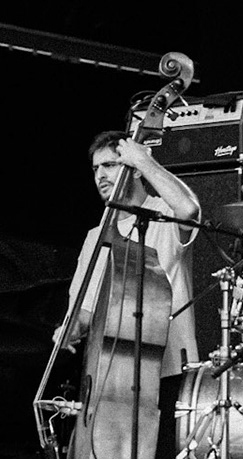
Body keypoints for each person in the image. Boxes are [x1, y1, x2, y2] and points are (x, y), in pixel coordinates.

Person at [56, 131, 204, 374]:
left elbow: (188, 209)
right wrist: (70, 329)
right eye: (95, 169)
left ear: (134, 170)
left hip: (171, 372)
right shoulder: (95, 236)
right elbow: (85, 311)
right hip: (113, 375)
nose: (100, 176)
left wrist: (144, 161)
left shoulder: (164, 214)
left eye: (110, 165)